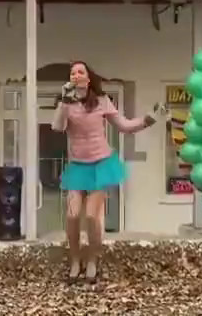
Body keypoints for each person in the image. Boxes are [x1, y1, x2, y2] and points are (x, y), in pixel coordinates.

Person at [52, 61, 166, 282]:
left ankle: (92, 260)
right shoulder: (65, 103)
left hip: (100, 164)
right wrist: (64, 101)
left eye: (80, 72)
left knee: (91, 216)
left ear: (88, 78)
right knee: (72, 215)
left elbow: (124, 126)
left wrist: (149, 119)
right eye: (72, 73)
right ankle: (75, 260)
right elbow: (57, 127)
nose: (76, 75)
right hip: (78, 166)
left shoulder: (102, 101)